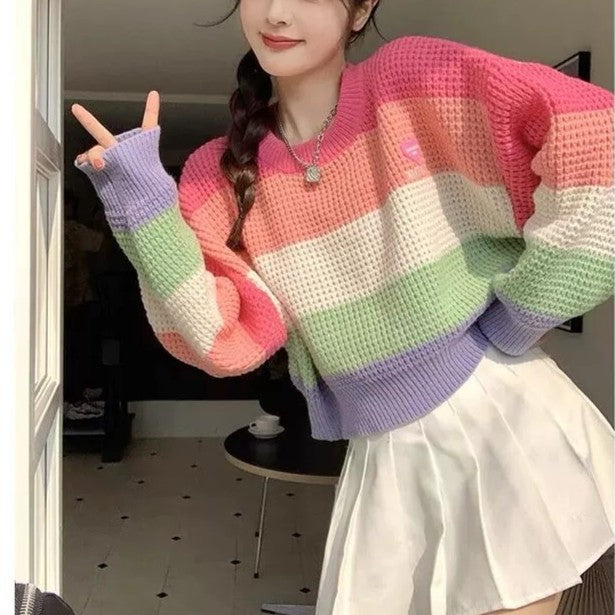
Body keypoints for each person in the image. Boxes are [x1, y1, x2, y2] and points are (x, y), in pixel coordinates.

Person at [71, 1, 614, 613]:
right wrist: (143, 203)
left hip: (499, 421)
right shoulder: (218, 175)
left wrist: (518, 316)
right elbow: (220, 340)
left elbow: (599, 140)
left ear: (360, 11)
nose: (278, 13)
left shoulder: (411, 79)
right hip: (383, 450)